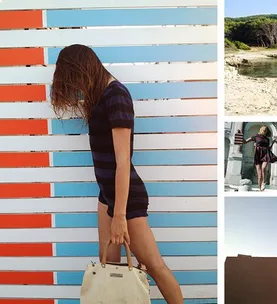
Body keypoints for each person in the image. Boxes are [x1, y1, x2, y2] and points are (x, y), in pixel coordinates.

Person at [51, 44, 184, 304]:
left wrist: (120, 216)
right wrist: (109, 205)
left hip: (127, 199)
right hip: (106, 195)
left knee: (154, 265)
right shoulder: (100, 95)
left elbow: (123, 161)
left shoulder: (116, 95)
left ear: (83, 69)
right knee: (107, 266)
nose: (74, 86)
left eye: (73, 78)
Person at [242, 125, 277, 191]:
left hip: (265, 154)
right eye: (264, 130)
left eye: (266, 130)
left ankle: (264, 183)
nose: (265, 131)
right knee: (259, 176)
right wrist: (240, 135)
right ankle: (260, 189)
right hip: (258, 155)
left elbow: (268, 148)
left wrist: (272, 143)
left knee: (263, 168)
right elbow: (245, 142)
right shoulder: (255, 137)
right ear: (261, 130)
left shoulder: (267, 139)